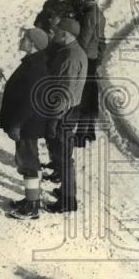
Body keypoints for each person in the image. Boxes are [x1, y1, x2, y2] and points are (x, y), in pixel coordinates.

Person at [1, 28, 53, 220]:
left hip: (27, 124)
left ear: (32, 44)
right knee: (26, 160)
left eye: (24, 38)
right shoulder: (34, 62)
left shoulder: (35, 66)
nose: (21, 40)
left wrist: (17, 124)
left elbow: (29, 101)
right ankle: (30, 200)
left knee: (28, 162)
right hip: (28, 123)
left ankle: (32, 206)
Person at [43, 17, 88, 213]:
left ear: (66, 34)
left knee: (64, 155)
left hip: (64, 112)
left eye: (58, 30)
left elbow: (64, 92)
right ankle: (65, 191)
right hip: (69, 109)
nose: (55, 33)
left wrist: (53, 118)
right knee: (63, 154)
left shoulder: (70, 56)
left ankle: (68, 201)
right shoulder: (72, 51)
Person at [74, 0, 106, 145]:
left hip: (85, 59)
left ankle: (80, 136)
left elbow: (83, 40)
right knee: (91, 97)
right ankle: (90, 132)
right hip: (93, 59)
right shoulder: (99, 14)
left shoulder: (88, 16)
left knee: (84, 98)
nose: (80, 1)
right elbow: (101, 40)